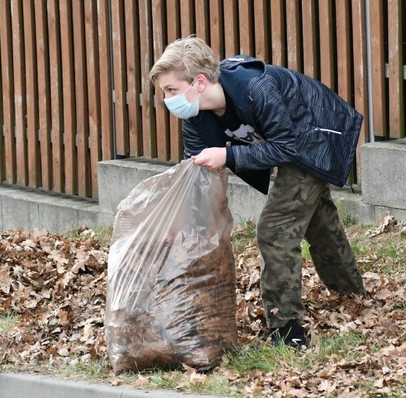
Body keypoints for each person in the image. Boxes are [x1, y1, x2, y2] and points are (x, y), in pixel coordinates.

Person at [149, 36, 366, 348]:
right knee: (316, 220)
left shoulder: (254, 89)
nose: (167, 99)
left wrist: (228, 156)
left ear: (198, 82)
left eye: (171, 90)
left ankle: (286, 331)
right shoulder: (194, 115)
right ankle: (351, 295)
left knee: (274, 229)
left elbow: (287, 146)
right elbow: (193, 174)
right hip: (288, 142)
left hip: (315, 135)